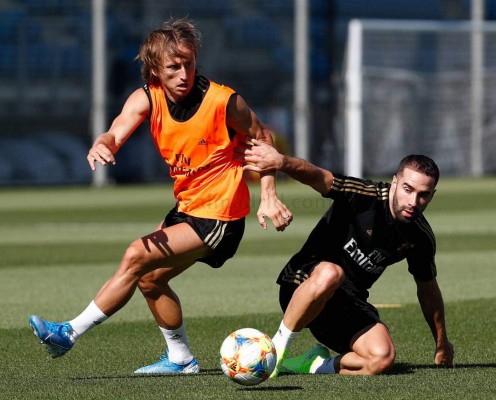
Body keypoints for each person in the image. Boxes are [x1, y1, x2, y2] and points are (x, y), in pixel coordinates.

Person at [28, 18, 293, 375]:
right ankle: (181, 359)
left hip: (220, 215)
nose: (184, 73)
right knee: (149, 278)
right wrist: (102, 143)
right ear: (155, 69)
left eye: (189, 63)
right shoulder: (146, 98)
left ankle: (68, 333)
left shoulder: (222, 100)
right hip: (188, 207)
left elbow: (262, 136)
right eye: (173, 66)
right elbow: (114, 132)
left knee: (137, 253)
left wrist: (269, 195)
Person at [243, 139, 455, 376]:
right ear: (395, 181)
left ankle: (312, 366)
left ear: (432, 195)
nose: (414, 202)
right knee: (331, 273)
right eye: (408, 189)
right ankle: (275, 350)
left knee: (382, 359)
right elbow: (317, 176)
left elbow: (428, 290)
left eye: (423, 195)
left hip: (344, 304)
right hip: (301, 284)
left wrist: (441, 342)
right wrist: (282, 162)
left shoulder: (420, 237)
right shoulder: (365, 195)